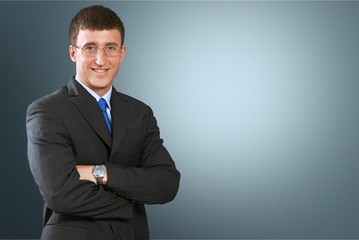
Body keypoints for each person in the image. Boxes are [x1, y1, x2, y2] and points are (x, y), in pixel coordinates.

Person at [26, 5, 180, 240]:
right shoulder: (47, 111)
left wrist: (101, 173)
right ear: (73, 53)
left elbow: (167, 183)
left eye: (110, 48)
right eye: (90, 48)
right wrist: (132, 200)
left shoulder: (140, 113)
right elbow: (60, 194)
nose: (101, 60)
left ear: (122, 52)